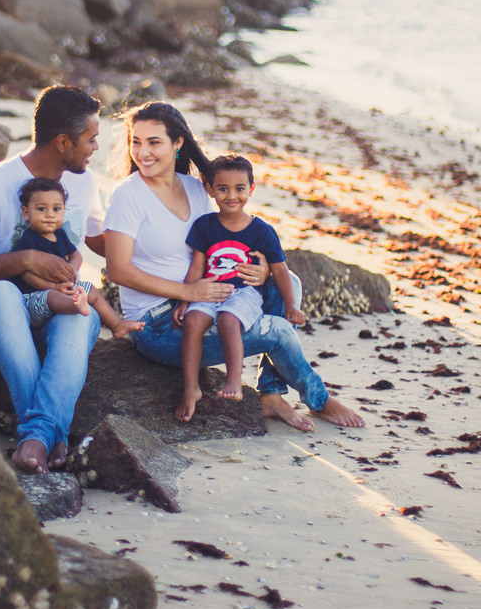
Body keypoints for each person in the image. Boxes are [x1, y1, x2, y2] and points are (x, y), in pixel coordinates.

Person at [103, 101, 365, 431]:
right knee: (278, 330)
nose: (143, 152)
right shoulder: (128, 195)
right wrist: (187, 291)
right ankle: (319, 399)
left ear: (178, 143)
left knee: (290, 285)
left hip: (210, 297)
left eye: (154, 142)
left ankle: (271, 394)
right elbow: (117, 270)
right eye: (136, 141)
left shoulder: (197, 188)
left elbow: (230, 239)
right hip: (156, 324)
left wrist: (264, 270)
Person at [0, 85, 105, 475]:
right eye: (91, 139)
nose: (96, 148)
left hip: (56, 310)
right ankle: (46, 431)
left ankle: (36, 437)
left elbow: (109, 242)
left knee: (79, 310)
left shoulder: (85, 182)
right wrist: (26, 259)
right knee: (3, 291)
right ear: (63, 142)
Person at [176, 155, 303, 421]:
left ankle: (234, 381)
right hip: (209, 289)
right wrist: (185, 299)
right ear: (210, 189)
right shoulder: (205, 226)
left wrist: (291, 304)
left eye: (239, 188)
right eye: (222, 189)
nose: (231, 195)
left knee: (228, 319)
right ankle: (191, 388)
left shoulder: (262, 231)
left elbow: (280, 269)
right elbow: (197, 268)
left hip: (244, 292)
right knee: (193, 322)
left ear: (251, 189)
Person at [11, 177, 143, 338]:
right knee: (53, 297)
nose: (50, 215)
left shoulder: (60, 234)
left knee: (91, 290)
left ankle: (117, 325)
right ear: (26, 213)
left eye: (56, 209)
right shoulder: (29, 239)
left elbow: (76, 254)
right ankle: (76, 305)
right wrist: (53, 286)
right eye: (41, 209)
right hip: (34, 298)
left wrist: (72, 267)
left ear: (64, 211)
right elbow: (27, 274)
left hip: (64, 291)